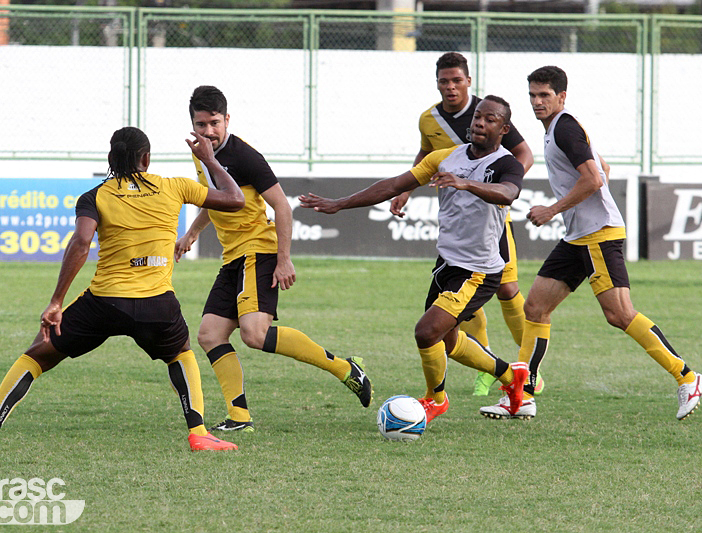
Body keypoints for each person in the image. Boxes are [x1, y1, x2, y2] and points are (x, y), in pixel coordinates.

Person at [0, 126, 246, 452]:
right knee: (180, 353)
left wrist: (56, 302)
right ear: (146, 159)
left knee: (37, 355)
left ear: (111, 158)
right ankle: (199, 433)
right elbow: (236, 199)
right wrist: (209, 160)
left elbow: (82, 242)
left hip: (105, 304)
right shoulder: (175, 186)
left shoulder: (95, 196)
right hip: (157, 305)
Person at [481, 66, 702, 420]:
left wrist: (553, 209)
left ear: (561, 97)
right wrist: (575, 205)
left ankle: (687, 377)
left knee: (619, 314)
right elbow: (601, 167)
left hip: (597, 235)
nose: (537, 102)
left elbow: (594, 179)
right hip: (578, 237)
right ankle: (522, 395)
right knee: (535, 309)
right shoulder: (557, 130)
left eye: (544, 95)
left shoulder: (565, 127)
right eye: (533, 95)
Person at [301, 96, 530, 423]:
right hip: (447, 265)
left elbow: (509, 193)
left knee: (426, 332)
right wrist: (340, 203)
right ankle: (511, 376)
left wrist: (465, 183)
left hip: (479, 271)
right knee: (447, 341)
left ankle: (435, 399)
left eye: (490, 119)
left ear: (503, 129)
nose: (480, 122)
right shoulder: (445, 157)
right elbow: (395, 184)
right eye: (478, 117)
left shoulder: (506, 164)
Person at [175, 85, 372, 433]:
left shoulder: (245, 156)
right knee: (209, 335)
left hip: (258, 251)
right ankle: (239, 418)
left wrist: (284, 260)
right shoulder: (201, 154)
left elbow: (282, 205)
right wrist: (192, 234)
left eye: (214, 123)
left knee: (254, 333)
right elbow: (217, 198)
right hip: (233, 257)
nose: (207, 132)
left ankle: (344, 369)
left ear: (227, 120)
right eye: (200, 124)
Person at [390, 51, 542, 398]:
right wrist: (408, 190)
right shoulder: (429, 119)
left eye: (457, 80)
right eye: (444, 81)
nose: (450, 87)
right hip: (457, 224)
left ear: (468, 81)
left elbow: (523, 156)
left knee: (505, 288)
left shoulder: (490, 111)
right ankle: (493, 370)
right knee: (450, 316)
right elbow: (425, 157)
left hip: (490, 218)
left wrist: (495, 184)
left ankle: (530, 368)